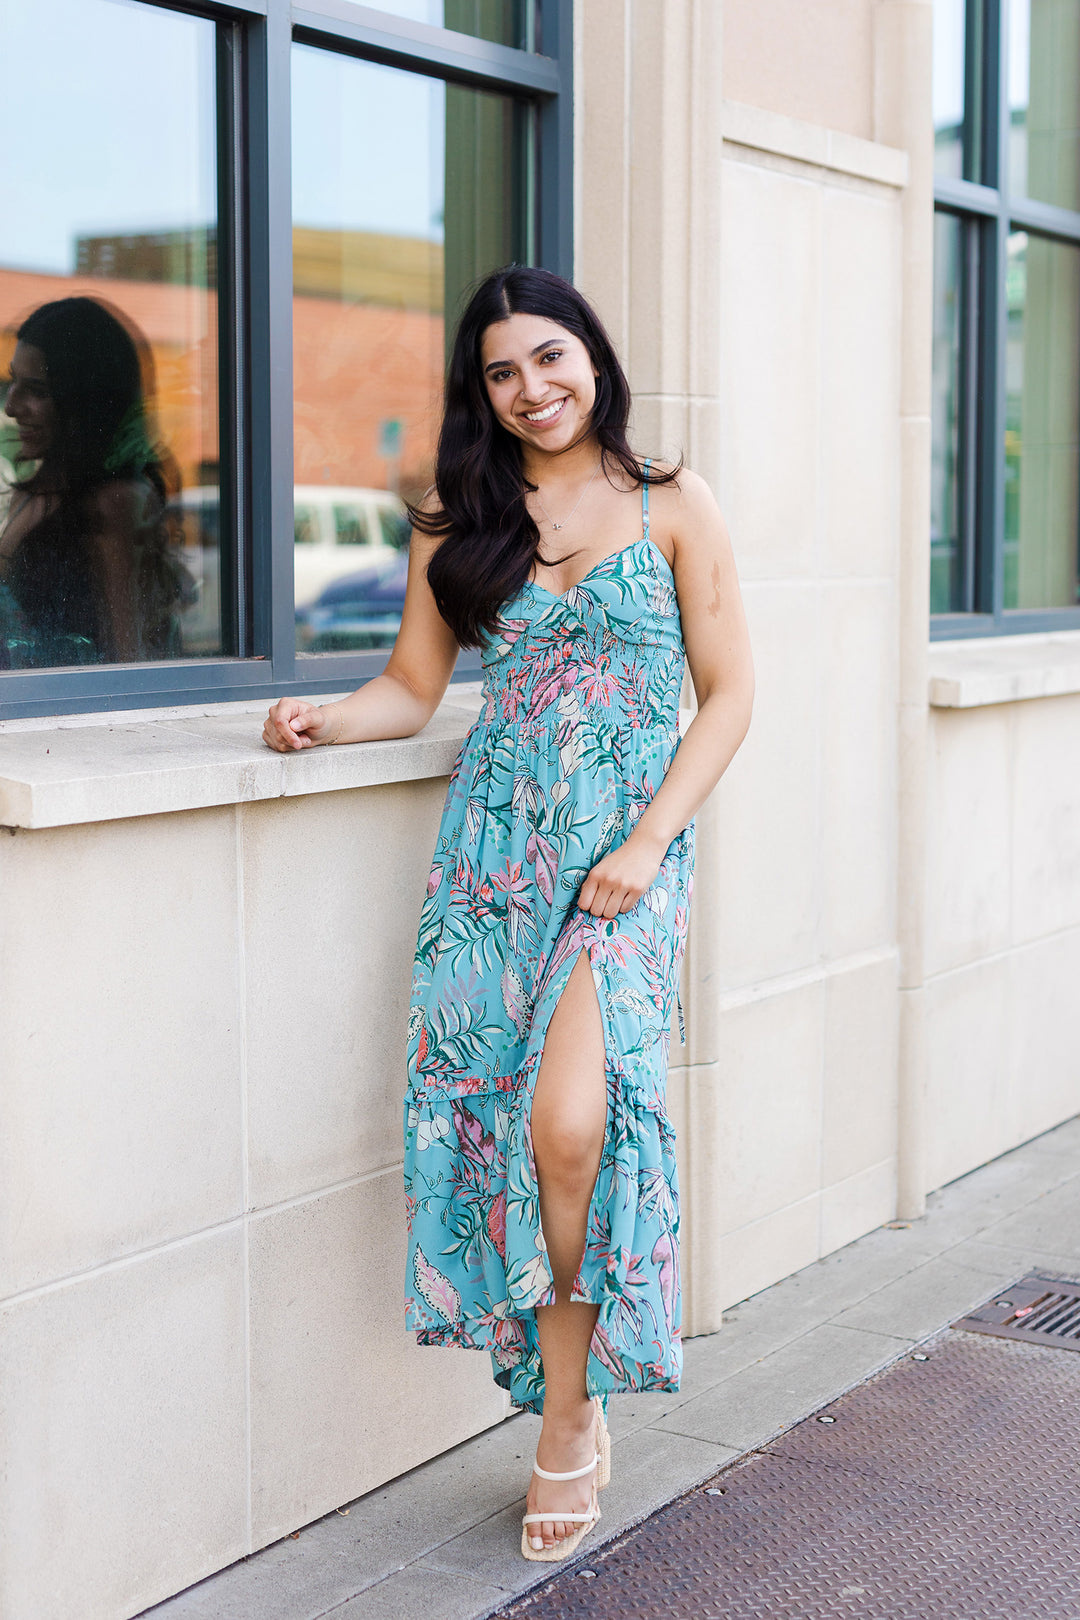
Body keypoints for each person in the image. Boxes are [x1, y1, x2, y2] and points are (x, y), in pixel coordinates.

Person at [262, 265, 754, 1562]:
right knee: (509, 1133)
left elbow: (734, 694)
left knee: (574, 1122)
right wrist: (319, 720)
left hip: (623, 863)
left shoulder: (673, 502)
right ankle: (573, 1408)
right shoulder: (460, 519)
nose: (532, 389)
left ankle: (563, 1418)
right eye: (502, 372)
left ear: (592, 357)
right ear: (480, 393)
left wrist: (652, 839)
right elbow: (411, 689)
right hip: (495, 862)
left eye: (551, 358)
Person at [0, 296, 188, 668]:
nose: (11, 405)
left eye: (37, 390)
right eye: (13, 381)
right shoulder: (36, 492)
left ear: (84, 401)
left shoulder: (113, 502)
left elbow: (129, 656)